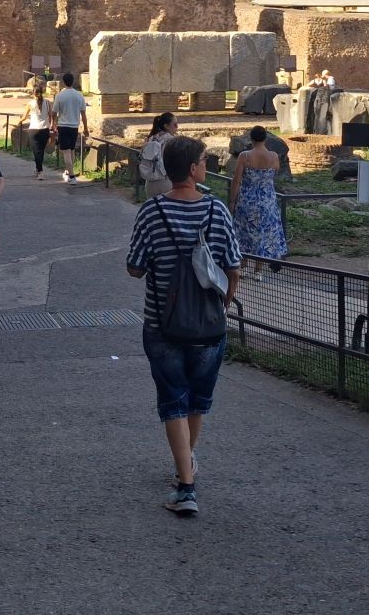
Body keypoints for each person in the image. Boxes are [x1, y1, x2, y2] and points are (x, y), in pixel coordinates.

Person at [126, 136, 242, 517]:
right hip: (209, 325)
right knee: (196, 402)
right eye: (204, 160)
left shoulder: (151, 211)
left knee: (173, 402)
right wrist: (224, 303)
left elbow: (135, 267)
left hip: (162, 324)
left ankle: (186, 486)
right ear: (193, 169)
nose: (206, 165)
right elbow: (234, 266)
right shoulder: (217, 210)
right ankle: (185, 469)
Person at [229, 126, 285, 279]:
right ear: (265, 138)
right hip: (267, 202)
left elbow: (236, 180)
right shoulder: (273, 156)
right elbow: (275, 172)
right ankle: (258, 271)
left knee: (244, 233)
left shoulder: (245, 156)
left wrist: (232, 201)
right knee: (263, 234)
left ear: (251, 139)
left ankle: (244, 266)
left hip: (247, 200)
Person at [53, 72, 89, 184]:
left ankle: (72, 177)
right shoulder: (79, 95)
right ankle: (68, 172)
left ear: (63, 82)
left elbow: (54, 112)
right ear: (73, 81)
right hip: (74, 127)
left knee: (66, 152)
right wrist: (86, 128)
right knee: (72, 151)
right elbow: (83, 114)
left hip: (63, 126)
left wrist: (53, 123)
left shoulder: (60, 95)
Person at [139, 111, 177, 199]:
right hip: (166, 181)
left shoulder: (151, 138)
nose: (177, 127)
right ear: (166, 126)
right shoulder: (172, 140)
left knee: (153, 206)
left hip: (150, 181)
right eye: (175, 124)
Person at [21, 80, 53, 178]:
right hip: (45, 129)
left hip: (34, 129)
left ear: (33, 93)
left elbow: (24, 117)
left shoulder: (30, 103)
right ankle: (38, 168)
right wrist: (52, 125)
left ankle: (40, 171)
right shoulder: (47, 103)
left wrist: (19, 121)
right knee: (41, 151)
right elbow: (51, 116)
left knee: (36, 151)